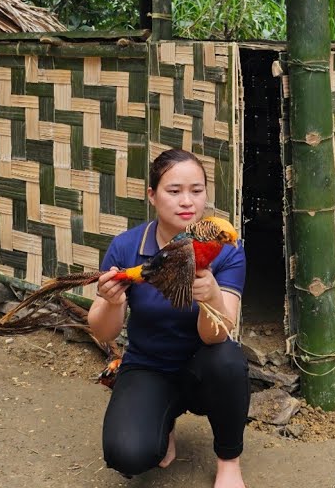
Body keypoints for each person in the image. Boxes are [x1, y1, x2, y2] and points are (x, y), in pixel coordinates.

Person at [88, 148, 249, 488]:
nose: (187, 201)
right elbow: (102, 332)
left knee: (228, 360)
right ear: (152, 195)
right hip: (148, 366)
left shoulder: (226, 249)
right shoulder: (126, 246)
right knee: (126, 454)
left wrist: (211, 296)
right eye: (174, 191)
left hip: (203, 367)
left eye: (196, 190)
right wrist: (112, 303)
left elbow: (217, 335)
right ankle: (163, 424)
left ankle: (229, 462)